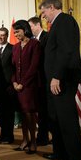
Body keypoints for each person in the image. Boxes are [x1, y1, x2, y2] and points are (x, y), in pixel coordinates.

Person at [39, 0, 81, 160]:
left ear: (51, 7)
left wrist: (57, 76)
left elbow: (66, 52)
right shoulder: (58, 23)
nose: (43, 16)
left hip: (63, 80)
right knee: (56, 119)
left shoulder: (65, 21)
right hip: (56, 81)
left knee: (66, 121)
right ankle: (61, 153)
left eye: (44, 11)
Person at [11, 20, 41, 154]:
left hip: (29, 86)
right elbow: (12, 68)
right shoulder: (15, 47)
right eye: (14, 32)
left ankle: (33, 142)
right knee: (22, 114)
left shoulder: (35, 44)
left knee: (29, 114)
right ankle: (24, 140)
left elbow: (34, 66)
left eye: (17, 31)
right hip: (17, 86)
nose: (15, 34)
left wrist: (23, 83)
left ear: (24, 29)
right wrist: (14, 83)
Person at [28, 16, 50, 146]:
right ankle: (42, 136)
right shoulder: (32, 40)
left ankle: (44, 137)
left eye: (30, 27)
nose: (29, 30)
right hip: (38, 81)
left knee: (46, 111)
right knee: (41, 110)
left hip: (47, 79)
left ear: (37, 25)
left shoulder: (47, 37)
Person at [0, 27, 16, 144]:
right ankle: (3, 134)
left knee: (9, 113)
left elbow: (15, 68)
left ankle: (9, 136)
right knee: (1, 113)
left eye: (2, 35)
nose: (0, 37)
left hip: (9, 86)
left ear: (7, 36)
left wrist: (13, 83)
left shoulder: (12, 49)